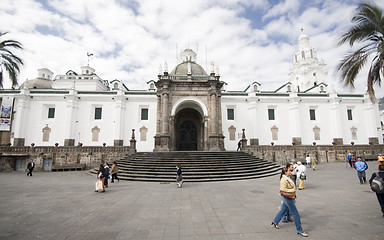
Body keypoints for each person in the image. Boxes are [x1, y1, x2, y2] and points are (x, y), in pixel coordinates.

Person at [271, 167, 308, 237]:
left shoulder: (287, 178)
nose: (290, 172)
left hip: (288, 197)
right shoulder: (283, 180)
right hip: (286, 197)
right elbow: (282, 190)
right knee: (295, 213)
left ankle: (275, 222)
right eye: (289, 171)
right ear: (285, 172)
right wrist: (292, 191)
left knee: (284, 210)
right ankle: (299, 230)